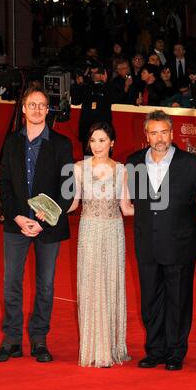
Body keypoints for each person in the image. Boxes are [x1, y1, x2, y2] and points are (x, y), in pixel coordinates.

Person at [0, 86, 74, 363]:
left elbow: (67, 188)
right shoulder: (12, 142)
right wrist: (16, 216)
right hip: (16, 224)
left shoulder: (62, 144)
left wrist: (46, 219)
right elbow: (5, 183)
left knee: (45, 285)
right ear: (23, 109)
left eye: (42, 105)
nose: (37, 109)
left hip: (47, 227)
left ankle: (39, 339)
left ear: (48, 111)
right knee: (11, 282)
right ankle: (11, 339)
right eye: (32, 105)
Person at [127, 110, 196, 371]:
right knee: (150, 299)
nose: (159, 138)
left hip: (180, 243)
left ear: (172, 133)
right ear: (146, 135)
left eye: (164, 132)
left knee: (178, 299)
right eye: (154, 132)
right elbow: (136, 201)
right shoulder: (134, 162)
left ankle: (175, 351)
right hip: (147, 244)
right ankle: (155, 349)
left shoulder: (191, 164)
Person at [68, 122, 134, 367]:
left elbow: (126, 209)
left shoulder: (122, 170)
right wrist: (50, 210)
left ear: (112, 143)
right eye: (93, 141)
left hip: (113, 232)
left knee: (110, 284)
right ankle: (94, 347)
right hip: (89, 231)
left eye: (102, 140)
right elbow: (74, 203)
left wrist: (162, 212)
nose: (97, 146)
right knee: (91, 285)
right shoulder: (78, 168)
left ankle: (110, 346)